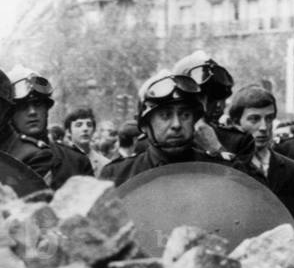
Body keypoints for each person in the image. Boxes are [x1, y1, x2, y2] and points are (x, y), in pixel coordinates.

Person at [100, 70, 234, 187]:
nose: (176, 124)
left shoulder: (218, 170)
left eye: (185, 115)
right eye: (165, 115)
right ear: (146, 125)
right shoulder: (117, 175)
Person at [229, 85, 294, 219]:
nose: (264, 127)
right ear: (235, 123)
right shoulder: (228, 169)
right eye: (254, 119)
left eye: (269, 118)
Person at [7, 65, 92, 189]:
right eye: (23, 106)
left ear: (47, 109)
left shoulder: (76, 161)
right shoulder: (0, 161)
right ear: (10, 114)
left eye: (37, 104)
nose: (32, 112)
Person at [171, 50, 255, 163]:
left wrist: (217, 149)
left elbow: (247, 180)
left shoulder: (238, 141)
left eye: (221, 98)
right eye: (211, 99)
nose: (219, 106)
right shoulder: (159, 139)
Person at [64, 107, 109, 175]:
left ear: (93, 131)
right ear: (68, 132)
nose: (85, 129)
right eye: (79, 125)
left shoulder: (105, 164)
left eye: (89, 125)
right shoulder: (60, 160)